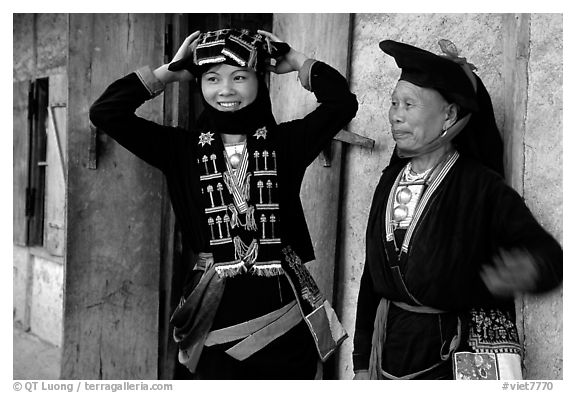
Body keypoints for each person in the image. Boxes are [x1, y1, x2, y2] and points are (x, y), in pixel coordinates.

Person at [90, 28, 357, 379]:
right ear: (199, 84)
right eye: (212, 78)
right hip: (213, 309)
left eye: (240, 77)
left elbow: (341, 103)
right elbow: (106, 112)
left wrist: (294, 60)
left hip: (281, 305)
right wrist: (168, 72)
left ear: (259, 80)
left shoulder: (287, 143)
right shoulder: (179, 150)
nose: (226, 90)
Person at [352, 39, 562, 380]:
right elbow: (371, 276)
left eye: (409, 104)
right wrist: (362, 360)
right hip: (390, 351)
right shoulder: (390, 180)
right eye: (393, 102)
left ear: (449, 115)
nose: (396, 115)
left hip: (455, 355)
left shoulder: (480, 187)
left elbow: (550, 257)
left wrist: (526, 270)